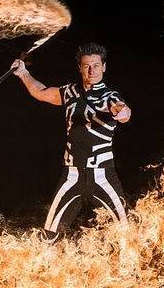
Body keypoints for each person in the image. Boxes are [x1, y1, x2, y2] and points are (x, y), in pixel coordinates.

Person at [11, 43, 131, 239]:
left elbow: (121, 109)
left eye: (96, 65)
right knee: (49, 236)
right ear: (80, 68)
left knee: (126, 235)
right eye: (86, 66)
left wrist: (123, 113)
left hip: (102, 176)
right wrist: (23, 73)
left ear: (104, 67)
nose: (91, 70)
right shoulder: (70, 92)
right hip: (71, 176)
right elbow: (41, 92)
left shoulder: (109, 96)